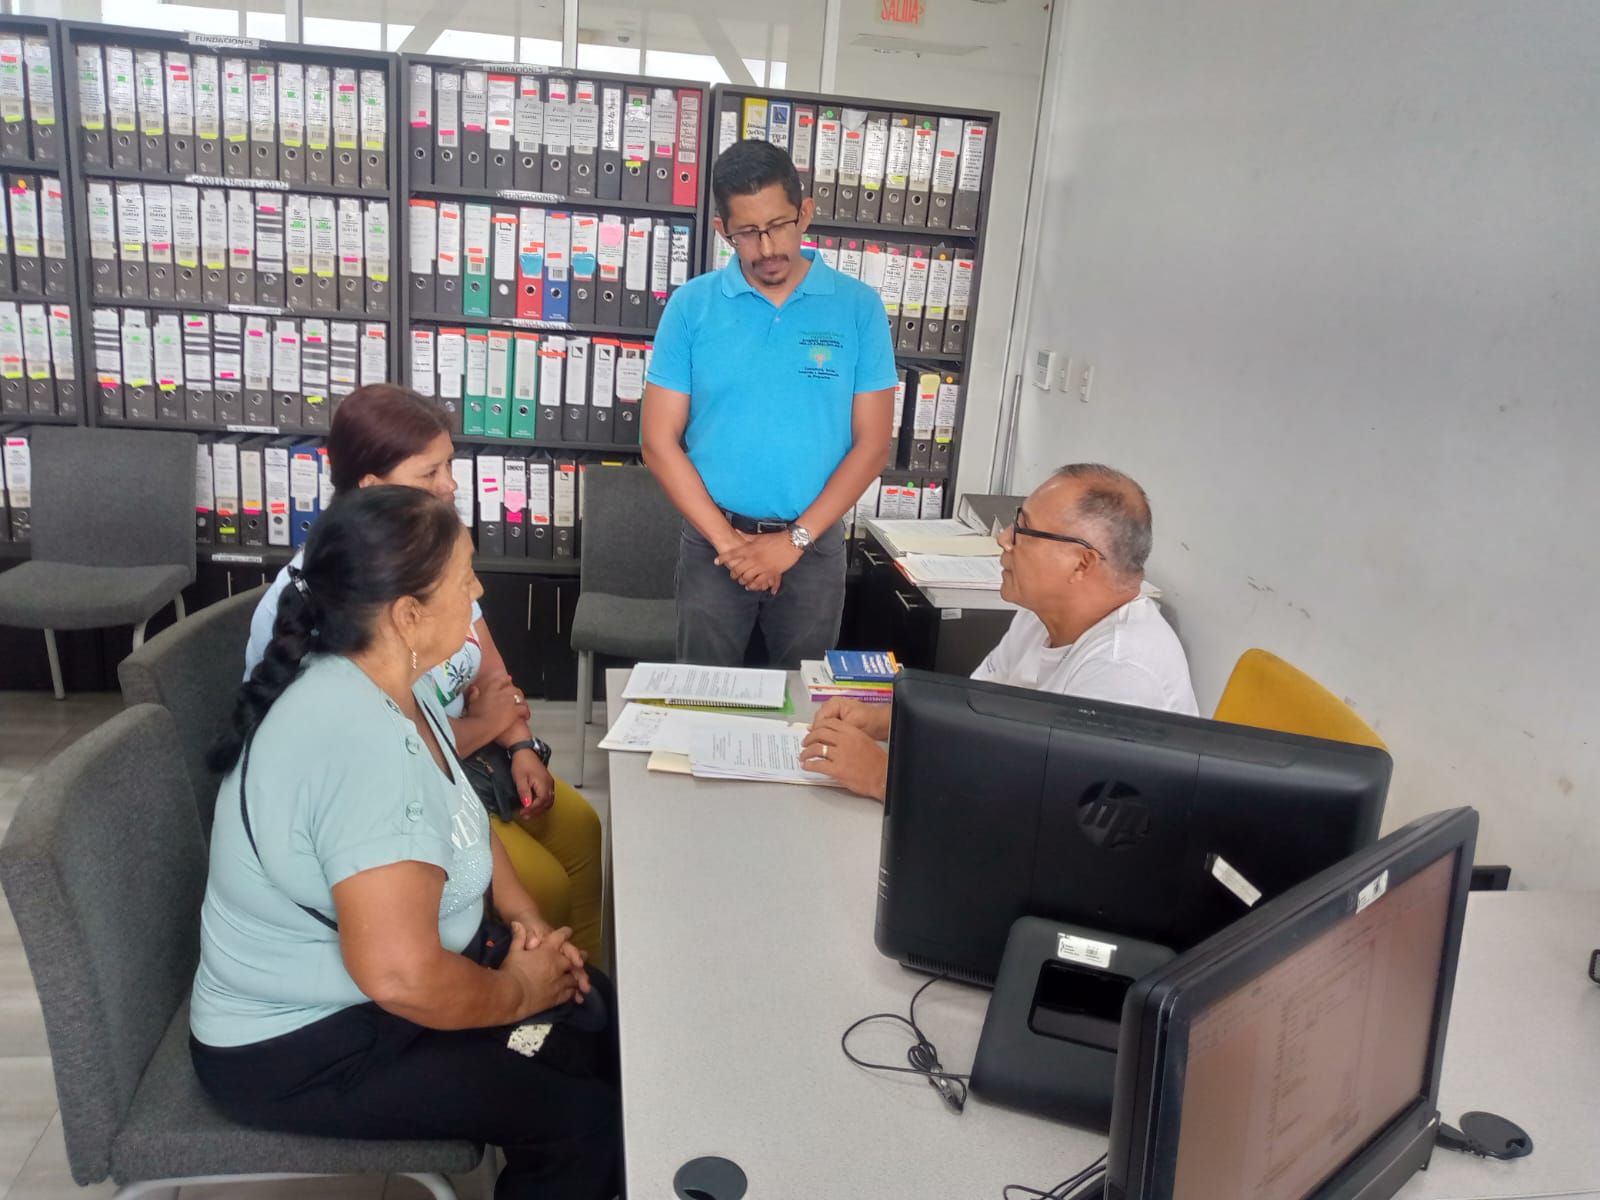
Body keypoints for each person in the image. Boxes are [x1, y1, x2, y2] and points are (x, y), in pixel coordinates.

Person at [193, 486, 618, 1199]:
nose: (479, 593)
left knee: (594, 1009)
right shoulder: (362, 748)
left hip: (385, 996)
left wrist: (527, 924)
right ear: (407, 615)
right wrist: (517, 989)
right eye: (465, 579)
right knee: (584, 1120)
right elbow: (401, 977)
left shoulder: (388, 683)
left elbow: (463, 816)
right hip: (305, 1047)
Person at [243, 384, 603, 962]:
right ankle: (548, 979)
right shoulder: (340, 598)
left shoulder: (435, 557)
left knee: (582, 828)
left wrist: (519, 744)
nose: (451, 485)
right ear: (372, 487)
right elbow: (385, 752)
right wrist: (488, 725)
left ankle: (583, 981)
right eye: (430, 472)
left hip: (464, 762)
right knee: (543, 886)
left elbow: (490, 668)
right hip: (409, 794)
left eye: (450, 465)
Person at [642, 138, 899, 668]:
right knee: (701, 698)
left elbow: (872, 445)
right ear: (723, 231)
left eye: (779, 225)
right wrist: (731, 546)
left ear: (804, 213)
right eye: (747, 233)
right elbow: (658, 442)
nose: (766, 248)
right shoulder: (691, 307)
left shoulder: (858, 308)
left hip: (814, 547)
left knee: (802, 702)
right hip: (714, 545)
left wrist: (793, 541)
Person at [801, 464, 1198, 799]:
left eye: (1024, 530)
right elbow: (977, 713)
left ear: (1081, 563)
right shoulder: (1041, 615)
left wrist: (884, 777)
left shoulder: (1122, 671)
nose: (1004, 539)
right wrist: (886, 721)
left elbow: (1045, 812)